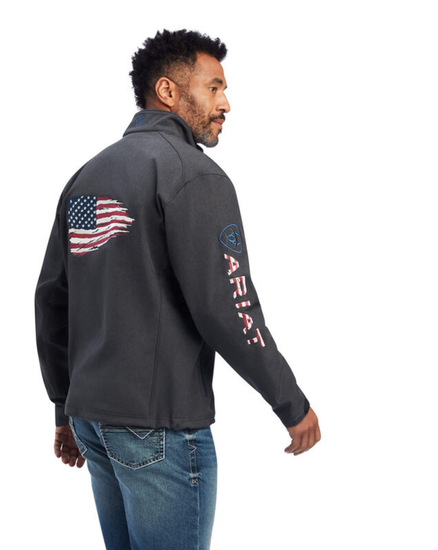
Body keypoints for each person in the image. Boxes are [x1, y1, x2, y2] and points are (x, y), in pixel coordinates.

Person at [35, 29, 321, 550]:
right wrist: (290, 403)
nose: (226, 103)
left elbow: (53, 299)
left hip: (92, 420)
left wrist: (64, 407)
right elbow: (229, 306)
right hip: (159, 427)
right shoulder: (193, 176)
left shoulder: (88, 176)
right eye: (214, 88)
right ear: (168, 91)